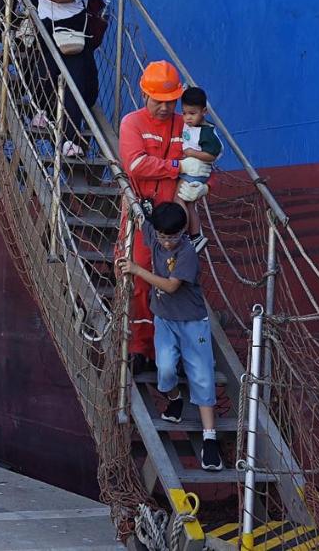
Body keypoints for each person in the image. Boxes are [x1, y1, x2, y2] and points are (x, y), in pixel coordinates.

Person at [116, 201, 224, 471]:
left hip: (192, 322)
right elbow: (143, 222)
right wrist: (135, 204)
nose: (166, 243)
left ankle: (210, 440)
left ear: (182, 232)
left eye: (172, 237)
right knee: (164, 371)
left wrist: (138, 270)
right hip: (164, 320)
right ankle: (175, 399)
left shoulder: (187, 252)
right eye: (163, 237)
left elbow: (172, 286)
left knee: (202, 376)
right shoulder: (156, 233)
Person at [116, 60, 186, 370]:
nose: (164, 107)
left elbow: (202, 170)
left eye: (170, 102)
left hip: (175, 221)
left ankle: (166, 351)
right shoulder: (132, 123)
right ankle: (140, 347)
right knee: (140, 275)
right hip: (142, 219)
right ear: (144, 95)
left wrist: (188, 174)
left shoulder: (187, 126)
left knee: (175, 281)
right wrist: (175, 168)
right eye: (158, 100)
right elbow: (135, 165)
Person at [11, 0, 98, 158]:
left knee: (73, 85)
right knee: (40, 73)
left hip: (71, 35)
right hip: (45, 31)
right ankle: (45, 113)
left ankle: (72, 140)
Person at [177, 86, 223, 252]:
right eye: (184, 113)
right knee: (190, 206)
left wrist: (192, 153)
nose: (187, 118)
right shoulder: (191, 125)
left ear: (204, 111)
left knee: (178, 199)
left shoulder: (207, 132)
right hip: (189, 170)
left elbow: (213, 154)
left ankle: (181, 234)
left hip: (195, 172)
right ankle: (196, 236)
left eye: (192, 113)